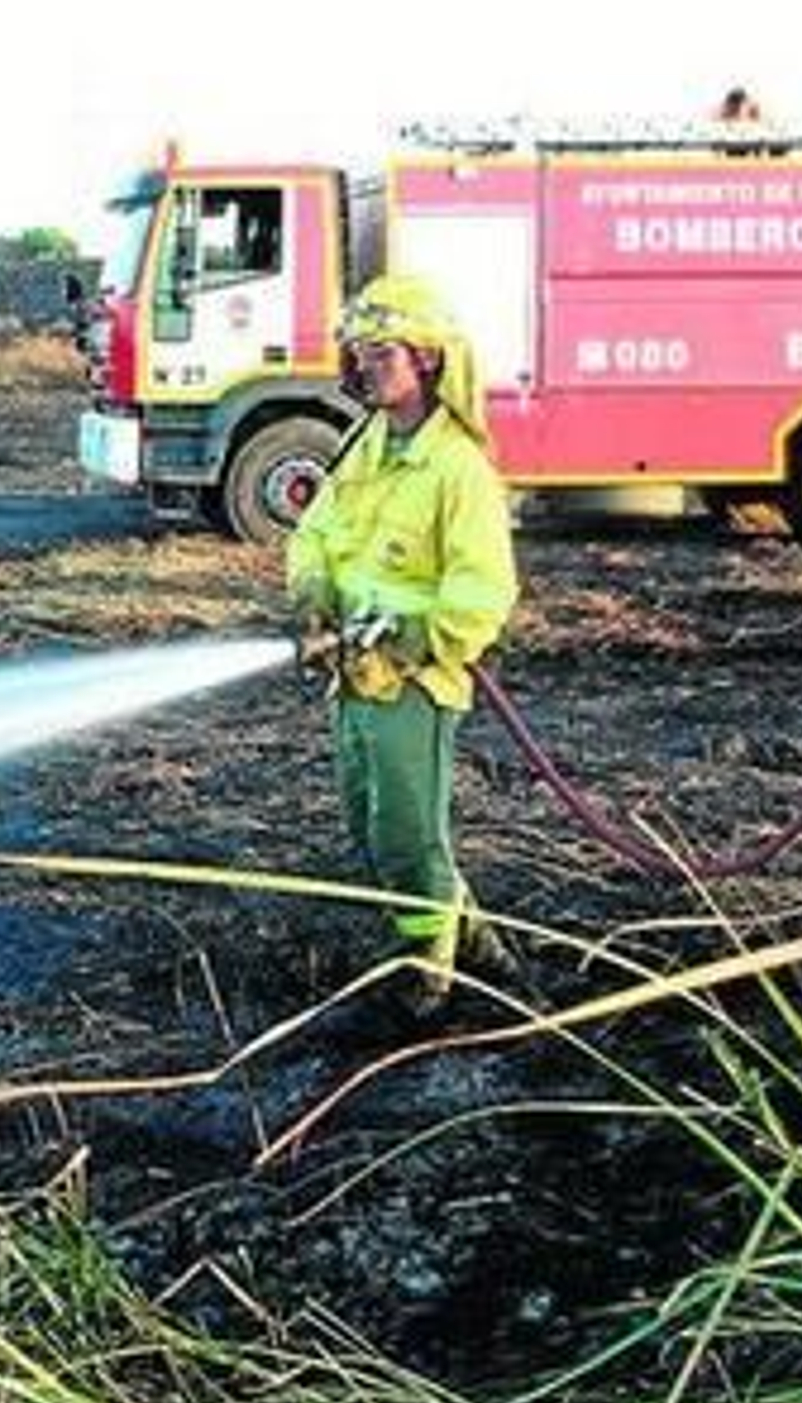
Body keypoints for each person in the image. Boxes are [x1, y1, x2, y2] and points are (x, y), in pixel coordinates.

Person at [287, 274, 519, 1024]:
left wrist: (416, 638)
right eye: (360, 352)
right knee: (370, 826)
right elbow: (315, 533)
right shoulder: (366, 444)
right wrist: (314, 596)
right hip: (355, 675)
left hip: (414, 684)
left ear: (427, 357)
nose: (366, 366)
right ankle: (481, 947)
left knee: (406, 837)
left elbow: (484, 590)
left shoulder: (459, 468)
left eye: (382, 352)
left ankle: (427, 979)